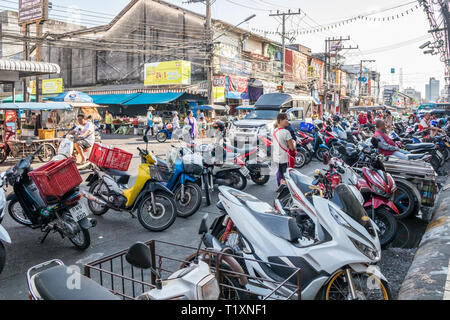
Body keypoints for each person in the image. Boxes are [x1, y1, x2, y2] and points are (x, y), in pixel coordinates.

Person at [273, 113, 296, 187]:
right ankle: (282, 193)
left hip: (276, 157)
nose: (287, 121)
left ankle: (280, 190)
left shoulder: (274, 130)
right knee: (285, 176)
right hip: (284, 158)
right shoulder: (286, 132)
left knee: (280, 175)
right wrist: (294, 143)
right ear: (280, 120)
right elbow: (292, 148)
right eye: (285, 119)